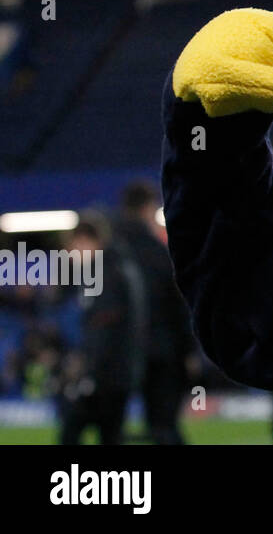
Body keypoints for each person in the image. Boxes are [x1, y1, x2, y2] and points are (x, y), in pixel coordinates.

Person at [113, 181, 196, 444]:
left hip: (120, 352)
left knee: (114, 427)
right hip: (162, 350)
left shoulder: (110, 252)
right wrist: (189, 351)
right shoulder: (158, 251)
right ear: (148, 208)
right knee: (164, 424)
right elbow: (178, 305)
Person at [58, 216, 141, 445]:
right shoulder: (113, 269)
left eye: (75, 245)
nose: (71, 252)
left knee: (73, 431)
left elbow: (103, 329)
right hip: (113, 373)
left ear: (89, 241)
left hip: (105, 376)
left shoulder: (104, 276)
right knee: (108, 435)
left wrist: (87, 371)